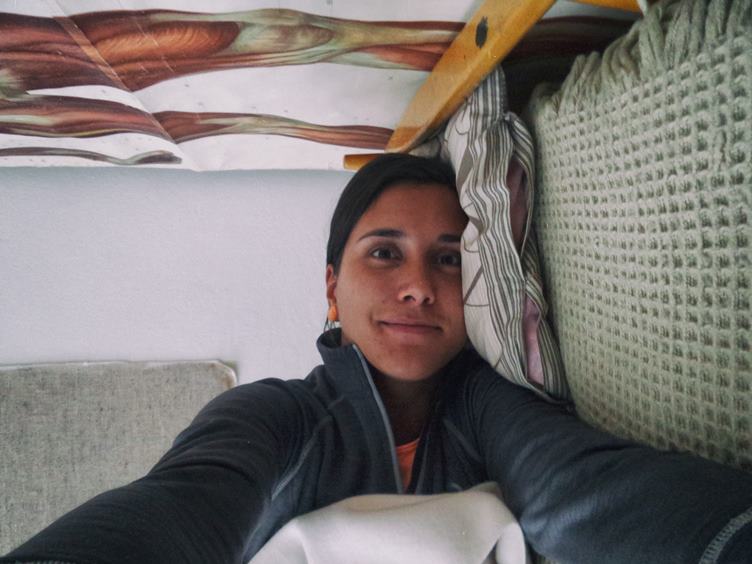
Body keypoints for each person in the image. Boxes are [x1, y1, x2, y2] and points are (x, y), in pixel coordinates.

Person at [3, 154, 751, 564]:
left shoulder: (489, 406)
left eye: (449, 259)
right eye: (384, 253)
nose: (419, 286)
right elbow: (186, 505)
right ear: (333, 286)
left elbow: (580, 490)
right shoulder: (274, 415)